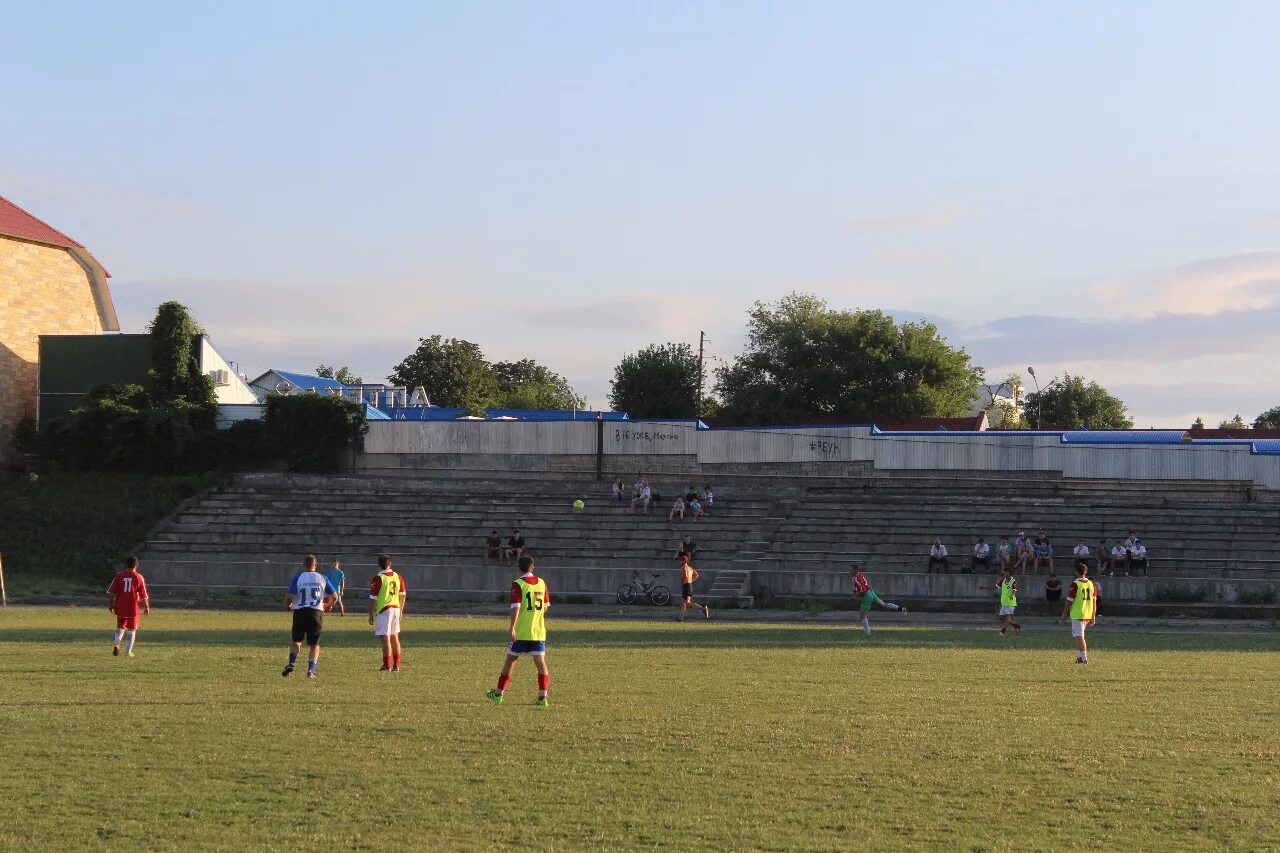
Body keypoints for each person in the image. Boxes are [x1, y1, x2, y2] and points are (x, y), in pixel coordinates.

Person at [484, 554, 551, 707]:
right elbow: (546, 607)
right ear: (532, 566)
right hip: (538, 631)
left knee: (510, 661)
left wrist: (512, 627)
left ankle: (498, 694)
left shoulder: (518, 583)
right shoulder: (542, 583)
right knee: (540, 663)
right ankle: (542, 698)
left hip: (521, 631)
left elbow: (516, 607)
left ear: (519, 568)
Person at [283, 554, 337, 678]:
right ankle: (311, 671)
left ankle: (291, 664)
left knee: (297, 641)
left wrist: (288, 605)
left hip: (300, 612)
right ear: (316, 565)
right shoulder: (322, 578)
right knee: (314, 644)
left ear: (304, 565)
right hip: (315, 613)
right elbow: (334, 596)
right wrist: (328, 606)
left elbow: (289, 597)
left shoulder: (298, 578)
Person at [369, 554, 407, 672]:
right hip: (396, 608)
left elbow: (373, 598)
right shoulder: (398, 576)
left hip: (384, 609)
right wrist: (401, 610)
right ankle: (396, 665)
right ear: (390, 563)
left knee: (385, 638)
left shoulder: (378, 577)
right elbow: (403, 595)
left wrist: (370, 613)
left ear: (379, 565)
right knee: (394, 636)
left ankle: (386, 666)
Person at [107, 555, 150, 658]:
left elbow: (111, 592)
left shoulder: (119, 576)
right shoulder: (138, 577)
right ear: (136, 565)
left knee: (120, 627)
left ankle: (117, 645)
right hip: (133, 607)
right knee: (131, 629)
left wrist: (111, 604)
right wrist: (146, 607)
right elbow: (144, 595)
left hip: (120, 606)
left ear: (126, 565)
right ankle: (128, 651)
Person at [849, 565, 906, 636]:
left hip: (867, 595)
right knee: (884, 605)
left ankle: (868, 634)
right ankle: (902, 609)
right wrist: (855, 592)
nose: (850, 571)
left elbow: (863, 591)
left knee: (862, 615)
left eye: (851, 570)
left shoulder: (856, 579)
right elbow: (860, 586)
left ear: (856, 570)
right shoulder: (860, 574)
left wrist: (855, 596)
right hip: (871, 592)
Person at [1060, 562, 1099, 664]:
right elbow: (1094, 601)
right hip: (1087, 613)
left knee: (1079, 636)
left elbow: (1069, 601)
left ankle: (1084, 658)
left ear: (1075, 572)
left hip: (1078, 614)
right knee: (1079, 636)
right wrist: (1093, 615)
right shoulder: (1091, 584)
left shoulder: (1075, 584)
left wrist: (1064, 613)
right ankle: (1079, 657)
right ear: (1086, 572)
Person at [677, 554, 710, 621]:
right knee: (685, 603)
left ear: (684, 561)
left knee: (686, 603)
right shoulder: (690, 568)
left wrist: (681, 580)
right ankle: (681, 618)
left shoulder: (684, 567)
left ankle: (702, 609)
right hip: (690, 585)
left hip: (686, 586)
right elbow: (696, 575)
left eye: (681, 560)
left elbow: (685, 574)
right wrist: (691, 580)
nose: (680, 562)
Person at [995, 566, 1021, 636]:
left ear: (1010, 573)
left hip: (1010, 603)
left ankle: (1002, 632)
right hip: (1004, 603)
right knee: (1002, 617)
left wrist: (1012, 595)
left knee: (1007, 618)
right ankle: (1016, 626)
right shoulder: (1003, 580)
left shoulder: (1014, 581)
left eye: (1007, 572)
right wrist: (985, 587)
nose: (1005, 573)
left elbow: (1014, 590)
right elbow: (997, 586)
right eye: (1005, 572)